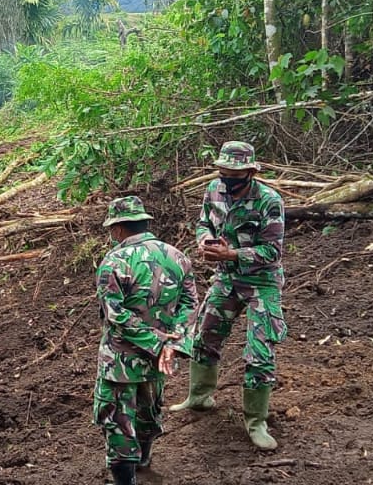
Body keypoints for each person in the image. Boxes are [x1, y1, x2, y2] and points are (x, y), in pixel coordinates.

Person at [170, 141, 286, 451]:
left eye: (234, 173)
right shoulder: (214, 189)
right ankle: (199, 396)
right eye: (223, 171)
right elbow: (204, 222)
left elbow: (272, 252)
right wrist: (204, 241)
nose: (227, 178)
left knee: (260, 349)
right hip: (227, 277)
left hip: (261, 281)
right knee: (204, 334)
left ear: (250, 172)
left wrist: (232, 253)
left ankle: (256, 420)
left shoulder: (269, 201)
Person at [94, 196, 196, 485]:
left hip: (120, 362)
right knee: (149, 409)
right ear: (145, 222)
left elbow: (117, 315)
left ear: (117, 229)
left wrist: (156, 342)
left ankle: (126, 480)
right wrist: (173, 343)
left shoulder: (113, 262)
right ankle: (145, 459)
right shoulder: (177, 257)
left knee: (117, 422)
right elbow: (190, 304)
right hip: (158, 362)